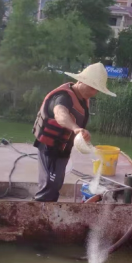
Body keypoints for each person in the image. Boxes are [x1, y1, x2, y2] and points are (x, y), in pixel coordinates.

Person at [32, 63, 116, 202]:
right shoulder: (63, 97)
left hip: (63, 149)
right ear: (81, 81)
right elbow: (60, 114)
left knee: (56, 183)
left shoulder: (82, 99)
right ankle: (39, 210)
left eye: (97, 90)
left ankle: (50, 207)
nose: (93, 92)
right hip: (49, 147)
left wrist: (83, 136)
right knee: (48, 185)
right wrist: (76, 128)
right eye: (91, 87)